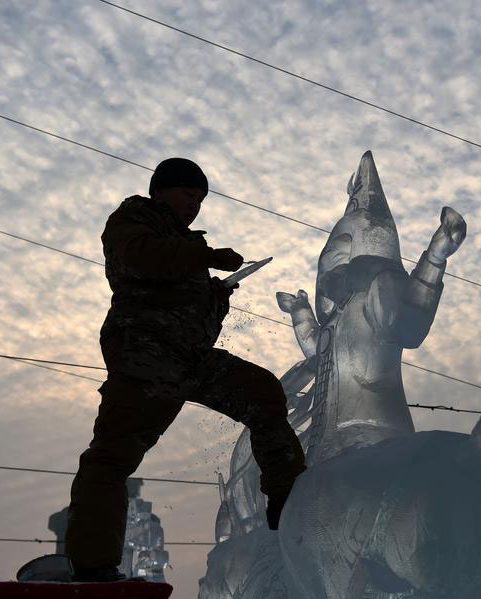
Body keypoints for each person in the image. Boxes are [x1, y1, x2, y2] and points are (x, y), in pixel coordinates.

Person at [62, 158, 306, 582]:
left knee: (261, 391)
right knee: (110, 459)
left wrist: (217, 296)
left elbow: (193, 317)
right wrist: (206, 256)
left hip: (190, 359)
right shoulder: (134, 218)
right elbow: (141, 259)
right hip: (145, 358)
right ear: (162, 191)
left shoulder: (182, 243)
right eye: (188, 195)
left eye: (201, 199)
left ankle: (289, 501)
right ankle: (92, 567)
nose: (195, 206)